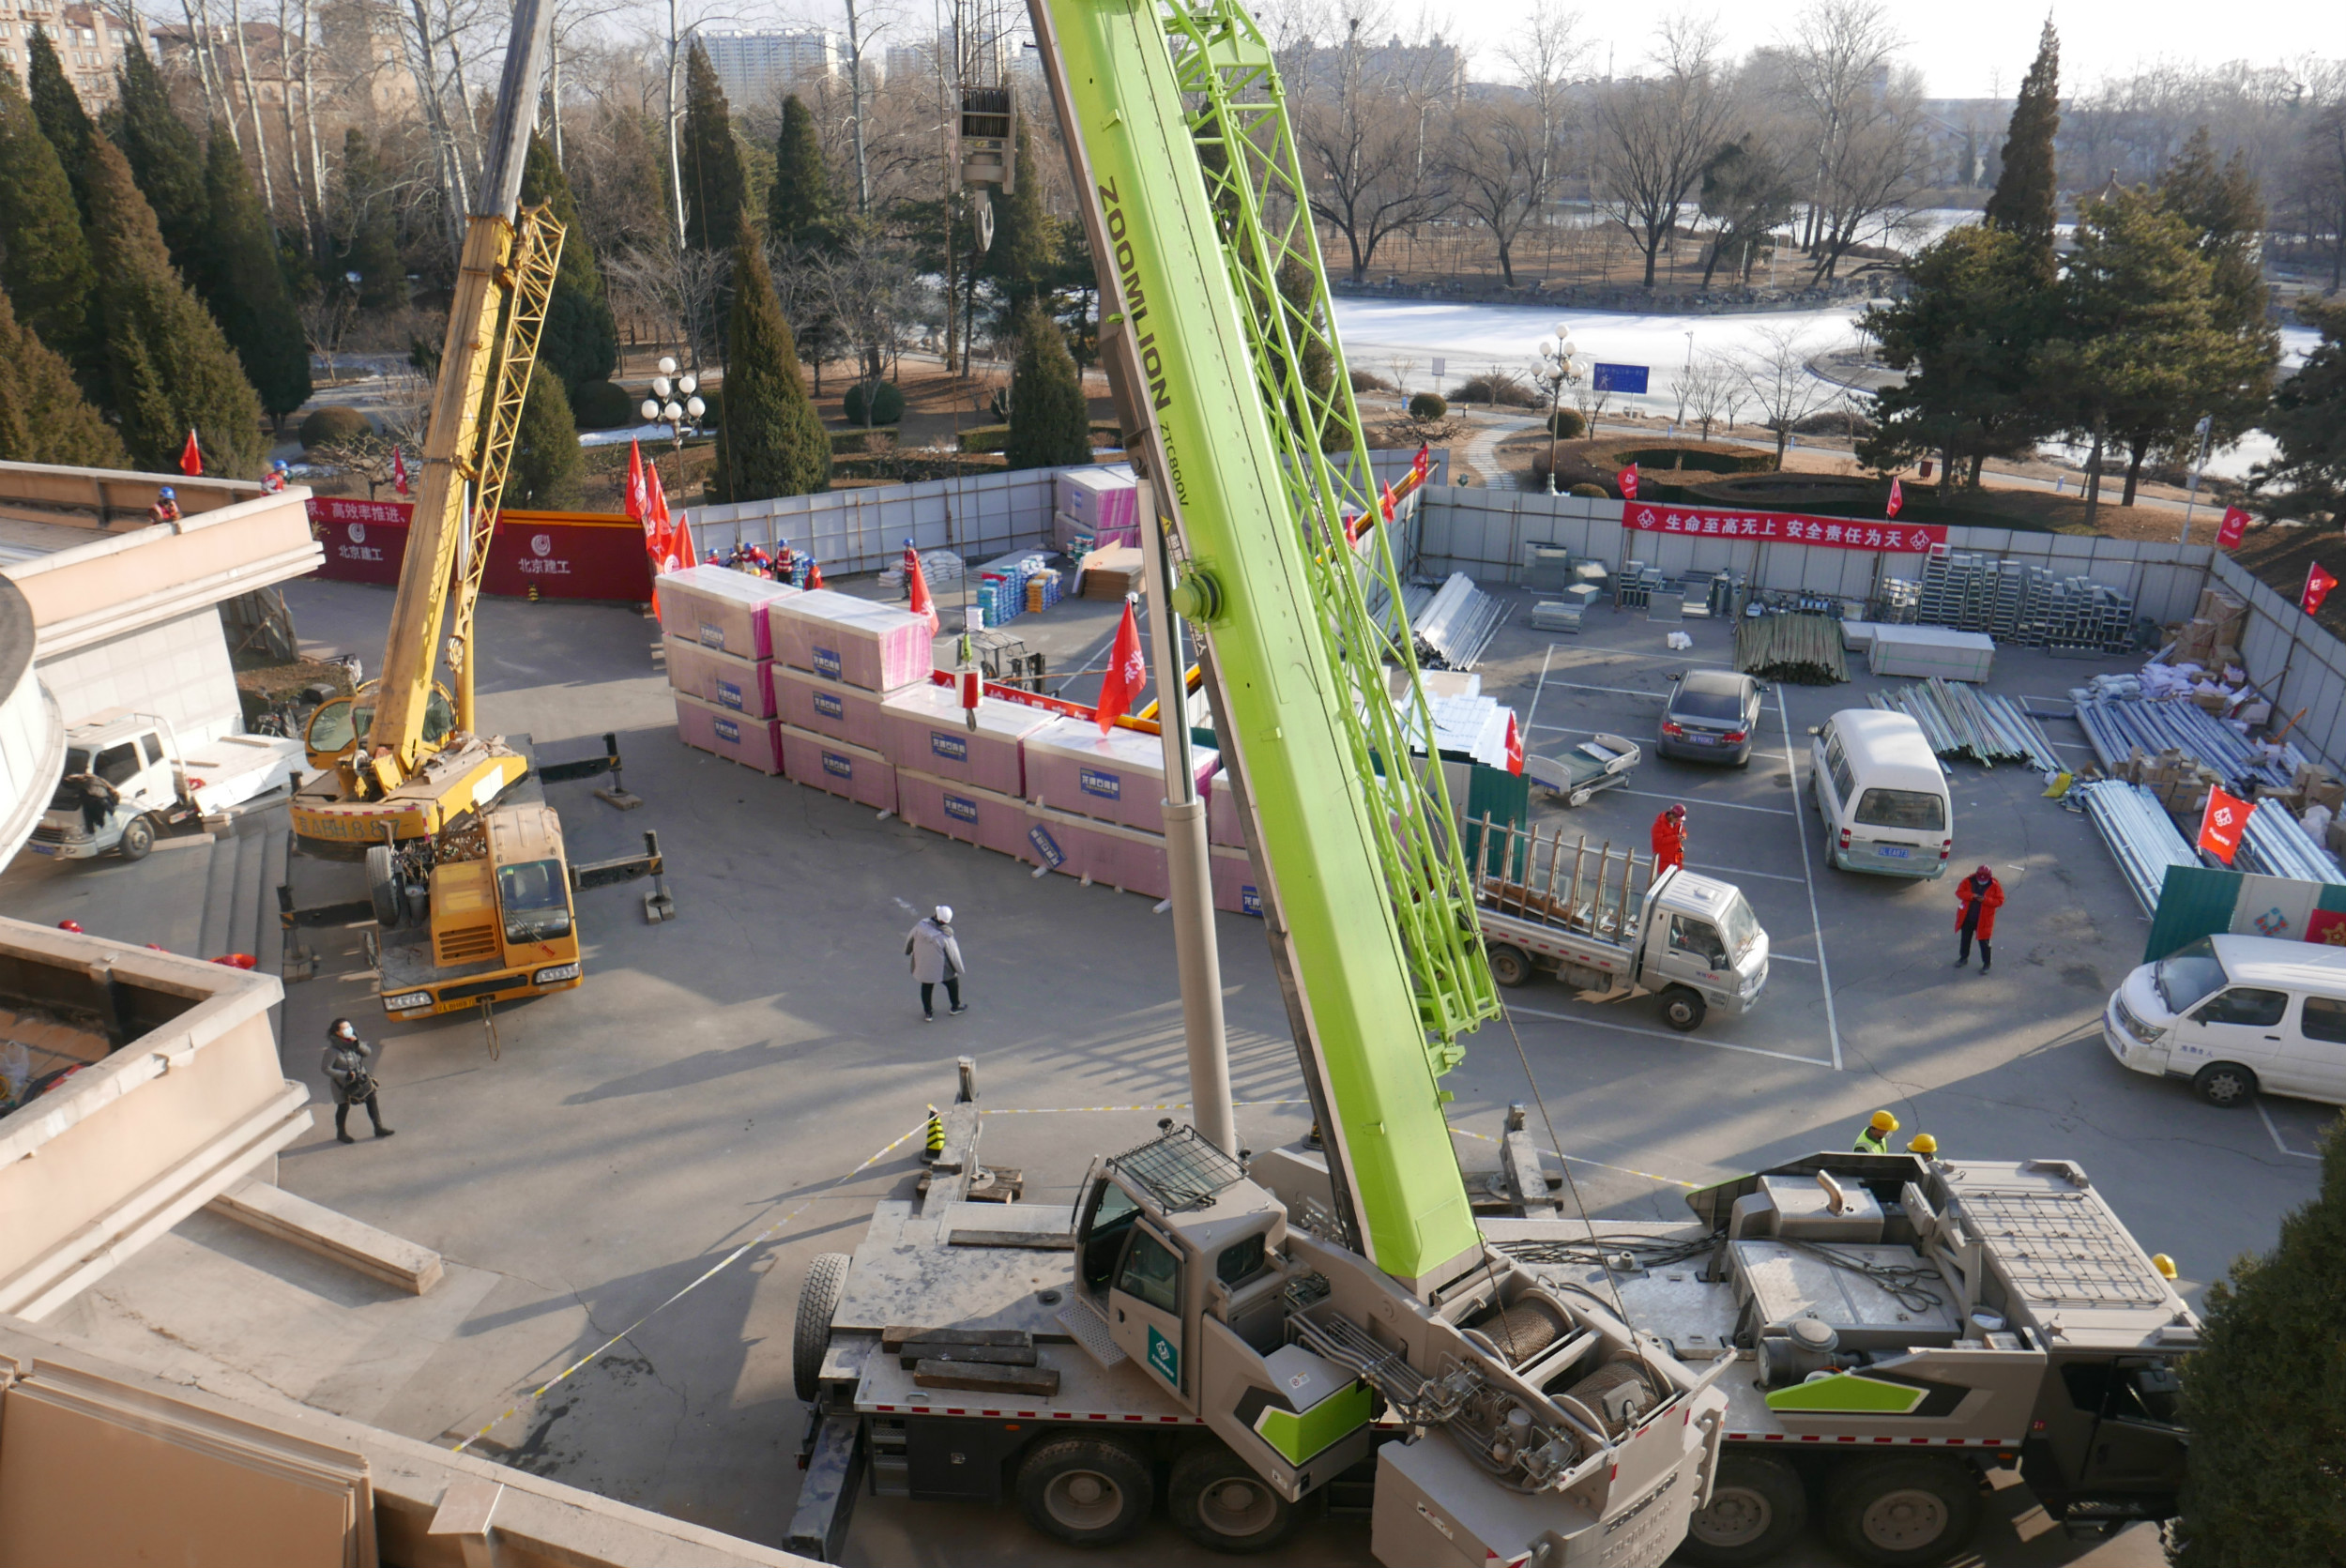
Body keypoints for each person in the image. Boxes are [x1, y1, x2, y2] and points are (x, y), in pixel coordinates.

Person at [320, 1018, 394, 1143]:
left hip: (361, 1079)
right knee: (344, 1106)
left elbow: (368, 1052)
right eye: (345, 1028)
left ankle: (378, 1127)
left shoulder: (354, 1043)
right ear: (337, 1032)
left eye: (349, 1027)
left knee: (371, 1099)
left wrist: (357, 1043)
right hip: (343, 1084)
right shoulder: (332, 1051)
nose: (349, 1030)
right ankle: (341, 1133)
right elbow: (326, 1069)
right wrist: (344, 1075)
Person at [906, 905, 967, 1021]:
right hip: (940, 967)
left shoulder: (921, 926)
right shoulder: (945, 936)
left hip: (923, 963)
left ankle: (928, 1012)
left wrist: (908, 951)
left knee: (926, 986)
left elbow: (910, 938)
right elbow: (953, 955)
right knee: (952, 982)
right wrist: (959, 969)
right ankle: (955, 1006)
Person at [1955, 864, 2003, 972]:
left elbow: (1999, 901)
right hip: (1967, 917)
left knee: (1984, 942)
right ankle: (1963, 958)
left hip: (1983, 920)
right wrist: (1972, 896)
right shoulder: (1968, 881)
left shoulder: (1995, 886)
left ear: (1989, 877)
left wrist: (1985, 900)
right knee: (1965, 939)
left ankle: (1987, 963)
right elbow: (1959, 893)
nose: (1982, 881)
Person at [63, 769, 117, 834]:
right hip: (98, 798)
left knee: (90, 813)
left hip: (95, 798)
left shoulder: (86, 781)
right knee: (93, 813)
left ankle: (93, 827)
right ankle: (95, 825)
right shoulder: (96, 780)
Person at [1651, 803, 1687, 874]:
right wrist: (1676, 838)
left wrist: (1683, 835)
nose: (1679, 821)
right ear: (1672, 816)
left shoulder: (1677, 823)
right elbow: (1659, 841)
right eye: (1677, 819)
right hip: (1664, 862)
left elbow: (1683, 831)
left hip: (1677, 860)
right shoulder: (1658, 826)